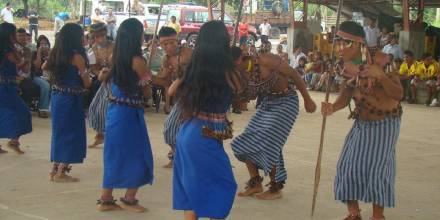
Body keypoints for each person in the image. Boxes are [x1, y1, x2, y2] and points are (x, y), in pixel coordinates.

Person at [321, 21, 403, 220]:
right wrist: (333, 107)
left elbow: (399, 94)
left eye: (343, 43)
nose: (338, 48)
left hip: (386, 123)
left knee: (377, 169)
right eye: (336, 42)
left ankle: (377, 216)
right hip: (361, 122)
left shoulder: (382, 60)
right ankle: (354, 213)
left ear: (358, 44)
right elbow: (346, 95)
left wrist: (381, 77)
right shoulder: (343, 67)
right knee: (346, 166)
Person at [231, 31, 317, 200]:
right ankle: (255, 183)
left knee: (270, 143)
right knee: (245, 140)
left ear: (241, 59)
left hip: (286, 103)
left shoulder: (265, 59)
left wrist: (307, 99)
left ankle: (276, 188)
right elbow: (249, 96)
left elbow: (293, 73)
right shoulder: (242, 73)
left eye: (234, 65)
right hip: (268, 104)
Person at [173, 20, 240, 220]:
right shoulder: (228, 72)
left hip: (189, 133)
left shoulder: (193, 70)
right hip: (203, 136)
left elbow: (172, 91)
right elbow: (242, 90)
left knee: (191, 189)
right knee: (222, 186)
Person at [98, 18, 153, 213]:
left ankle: (106, 198)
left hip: (115, 113)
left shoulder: (116, 57)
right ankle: (129, 198)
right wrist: (149, 79)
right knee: (139, 155)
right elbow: (146, 93)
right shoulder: (138, 61)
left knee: (115, 155)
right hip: (130, 114)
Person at [44, 23, 91, 182]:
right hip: (71, 100)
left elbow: (44, 68)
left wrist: (58, 82)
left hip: (58, 97)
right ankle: (61, 172)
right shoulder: (76, 57)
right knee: (72, 134)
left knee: (60, 133)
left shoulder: (56, 53)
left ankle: (55, 169)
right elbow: (87, 83)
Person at [157, 26, 192, 168]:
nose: (167, 47)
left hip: (194, 96)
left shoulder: (188, 54)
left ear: (177, 40)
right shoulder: (166, 59)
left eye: (170, 42)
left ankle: (179, 158)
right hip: (180, 97)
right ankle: (177, 156)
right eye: (164, 44)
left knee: (173, 128)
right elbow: (165, 81)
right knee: (172, 129)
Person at [0, 23, 32, 154]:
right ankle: (14, 140)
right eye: (14, 33)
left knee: (6, 114)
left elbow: (22, 68)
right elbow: (21, 64)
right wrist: (27, 56)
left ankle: (14, 140)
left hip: (8, 87)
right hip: (6, 88)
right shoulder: (9, 50)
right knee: (22, 112)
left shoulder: (8, 49)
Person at [87, 23, 114, 148]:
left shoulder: (115, 46)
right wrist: (101, 75)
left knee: (109, 110)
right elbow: (93, 67)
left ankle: (110, 136)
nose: (100, 39)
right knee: (96, 108)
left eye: (102, 35)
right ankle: (100, 134)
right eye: (97, 36)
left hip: (115, 80)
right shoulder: (93, 48)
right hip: (101, 80)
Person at [31, 35, 52, 118]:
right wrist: (39, 53)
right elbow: (37, 66)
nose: (43, 46)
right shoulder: (34, 53)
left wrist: (50, 54)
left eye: (45, 43)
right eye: (41, 44)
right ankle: (42, 109)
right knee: (45, 85)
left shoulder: (52, 53)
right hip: (37, 76)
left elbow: (55, 66)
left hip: (50, 76)